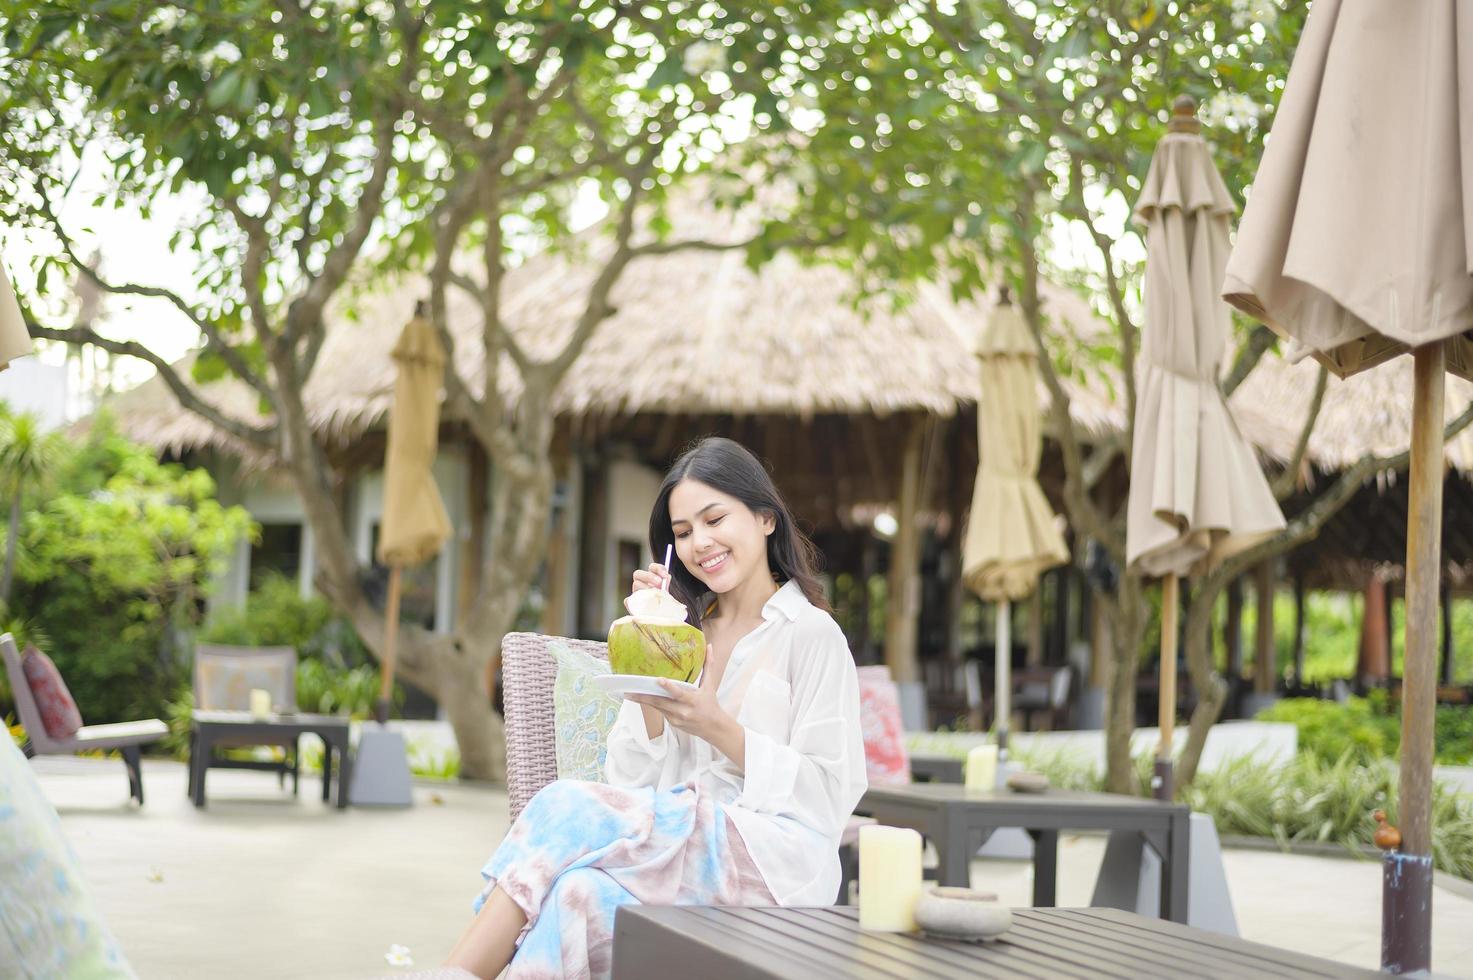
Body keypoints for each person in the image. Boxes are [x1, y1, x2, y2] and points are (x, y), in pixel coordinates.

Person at [442, 436, 867, 979]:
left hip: (776, 864)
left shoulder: (811, 634)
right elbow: (630, 785)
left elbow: (832, 794)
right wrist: (648, 685)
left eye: (715, 519)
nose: (700, 543)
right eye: (683, 532)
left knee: (565, 807)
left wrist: (720, 729)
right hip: (675, 853)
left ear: (765, 519)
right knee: (578, 893)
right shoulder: (678, 636)